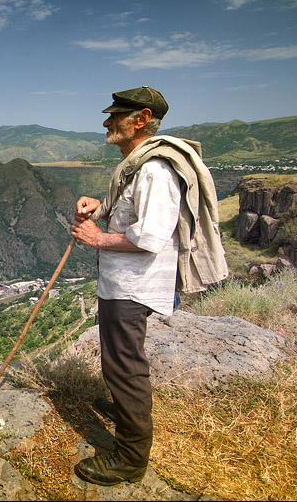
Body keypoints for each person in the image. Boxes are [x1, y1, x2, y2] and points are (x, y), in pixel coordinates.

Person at [69, 86, 228, 486]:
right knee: (119, 361)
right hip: (120, 282)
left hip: (132, 287)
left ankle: (130, 459)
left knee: (125, 369)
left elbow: (150, 237)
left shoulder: (156, 170)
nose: (107, 122)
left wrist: (97, 238)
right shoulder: (137, 166)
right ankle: (127, 414)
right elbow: (129, 211)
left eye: (115, 116)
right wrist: (99, 207)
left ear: (140, 118)